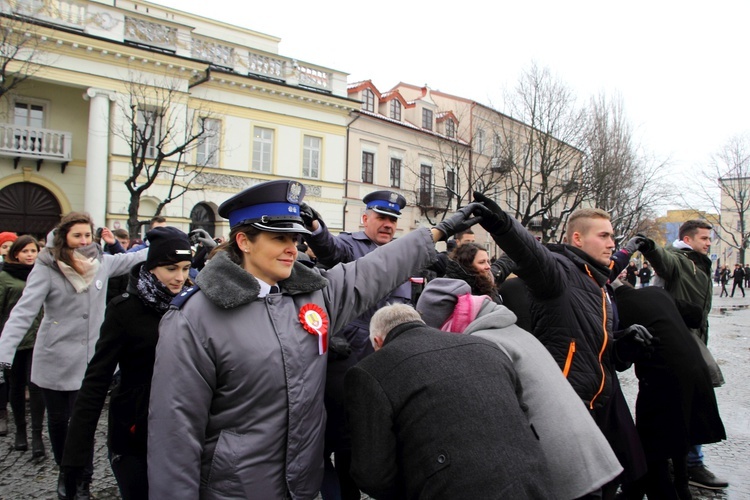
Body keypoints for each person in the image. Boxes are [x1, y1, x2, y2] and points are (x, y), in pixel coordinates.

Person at [146, 179, 480, 499]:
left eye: (295, 239)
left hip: (301, 487)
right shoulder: (194, 318)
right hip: (234, 490)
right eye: (279, 238)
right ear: (244, 241)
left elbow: (374, 271)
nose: (292, 249)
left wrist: (437, 232)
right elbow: (174, 436)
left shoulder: (310, 296)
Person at [472, 193, 649, 496]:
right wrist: (501, 223)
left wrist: (625, 344)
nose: (611, 243)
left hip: (598, 405)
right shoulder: (560, 272)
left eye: (613, 236)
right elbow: (532, 254)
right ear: (578, 239)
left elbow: (593, 348)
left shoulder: (598, 283)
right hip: (566, 407)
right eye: (604, 236)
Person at [415, 278, 623, 499]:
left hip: (561, 470)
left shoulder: (482, 344)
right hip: (585, 457)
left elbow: (491, 422)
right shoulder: (506, 329)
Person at [0, 212, 147, 500]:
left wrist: (171, 243)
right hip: (54, 356)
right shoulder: (47, 266)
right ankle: (66, 473)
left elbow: (137, 257)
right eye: (76, 235)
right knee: (58, 421)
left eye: (86, 235)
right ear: (64, 236)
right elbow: (23, 312)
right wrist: (4, 354)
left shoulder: (101, 262)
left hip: (90, 361)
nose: (82, 241)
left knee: (85, 421)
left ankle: (83, 480)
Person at [345, 303, 553, 499]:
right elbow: (522, 413)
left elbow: (373, 475)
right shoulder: (486, 346)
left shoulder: (370, 371)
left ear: (378, 342)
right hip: (533, 479)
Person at [62, 227, 193, 500]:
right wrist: (73, 458)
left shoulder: (192, 307)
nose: (179, 278)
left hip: (182, 432)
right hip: (134, 434)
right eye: (171, 268)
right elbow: (96, 381)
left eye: (185, 268)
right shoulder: (124, 310)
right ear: (151, 266)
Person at [301, 190, 414, 499]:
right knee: (345, 439)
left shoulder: (404, 253)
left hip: (391, 363)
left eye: (393, 220)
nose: (388, 224)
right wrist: (315, 229)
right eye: (381, 218)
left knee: (379, 438)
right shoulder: (351, 246)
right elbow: (330, 250)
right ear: (365, 218)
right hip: (352, 361)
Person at [636, 220, 728, 490]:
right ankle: (690, 464)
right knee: (691, 401)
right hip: (676, 343)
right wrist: (649, 245)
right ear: (687, 240)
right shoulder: (678, 259)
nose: (708, 243)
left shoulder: (698, 262)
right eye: (704, 238)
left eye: (709, 238)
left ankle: (677, 462)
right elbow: (661, 258)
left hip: (692, 340)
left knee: (684, 401)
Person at [614, 284, 726, 499]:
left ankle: (652, 492)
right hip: (696, 370)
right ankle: (679, 489)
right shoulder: (657, 293)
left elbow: (621, 360)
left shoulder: (619, 307)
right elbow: (695, 315)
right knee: (679, 437)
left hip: (663, 376)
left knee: (652, 447)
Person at [0, 235, 46, 461]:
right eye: (25, 251)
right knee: (16, 387)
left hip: (39, 340)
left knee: (36, 388)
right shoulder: (5, 277)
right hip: (16, 342)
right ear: (15, 253)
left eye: (33, 251)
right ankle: (20, 431)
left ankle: (37, 435)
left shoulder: (43, 273)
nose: (30, 255)